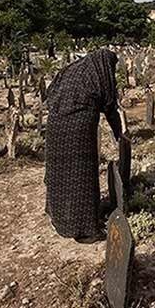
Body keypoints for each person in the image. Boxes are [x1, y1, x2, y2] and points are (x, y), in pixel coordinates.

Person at [44, 48, 122, 241]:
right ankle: (84, 228)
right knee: (82, 175)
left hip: (55, 125)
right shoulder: (100, 72)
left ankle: (60, 217)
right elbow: (110, 106)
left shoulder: (73, 69)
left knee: (59, 173)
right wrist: (119, 134)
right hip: (78, 127)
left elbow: (50, 92)